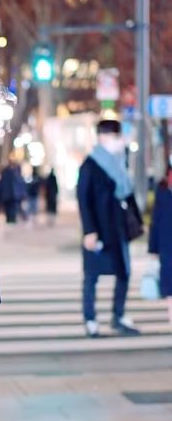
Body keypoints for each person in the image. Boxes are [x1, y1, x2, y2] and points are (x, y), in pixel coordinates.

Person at [77, 119, 142, 338]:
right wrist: (89, 230)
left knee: (124, 272)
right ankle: (90, 319)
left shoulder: (119, 162)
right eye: (116, 137)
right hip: (98, 229)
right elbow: (83, 199)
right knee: (92, 276)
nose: (119, 141)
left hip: (118, 227)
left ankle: (119, 315)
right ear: (103, 137)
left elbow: (127, 193)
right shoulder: (90, 164)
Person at [148, 165, 172, 330]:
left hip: (165, 245)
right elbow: (155, 221)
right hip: (167, 245)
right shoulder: (162, 188)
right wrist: (153, 248)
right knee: (170, 291)